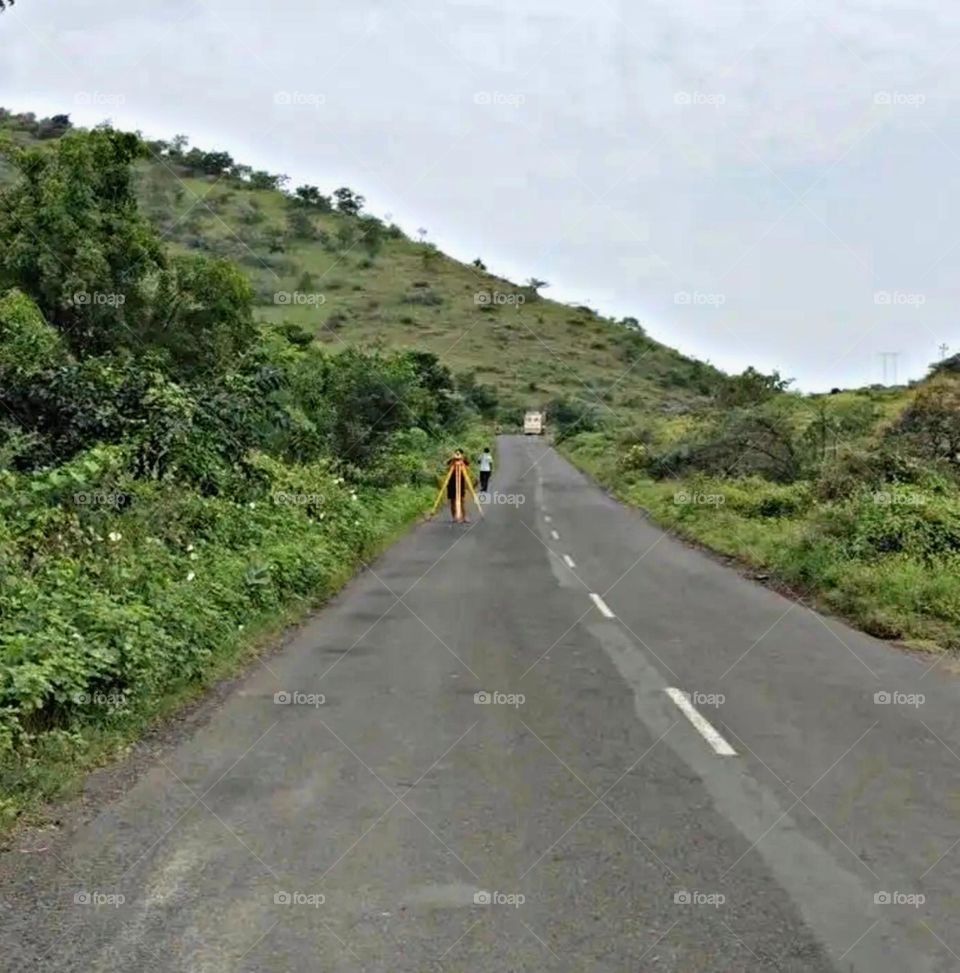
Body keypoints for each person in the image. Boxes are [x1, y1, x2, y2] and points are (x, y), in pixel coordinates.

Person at [445, 449, 471, 522]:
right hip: (452, 483)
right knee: (453, 500)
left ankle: (464, 517)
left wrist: (463, 460)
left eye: (459, 454)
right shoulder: (451, 461)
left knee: (462, 500)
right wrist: (452, 460)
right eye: (456, 453)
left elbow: (468, 466)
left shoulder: (464, 461)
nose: (458, 456)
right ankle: (454, 517)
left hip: (461, 482)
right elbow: (447, 467)